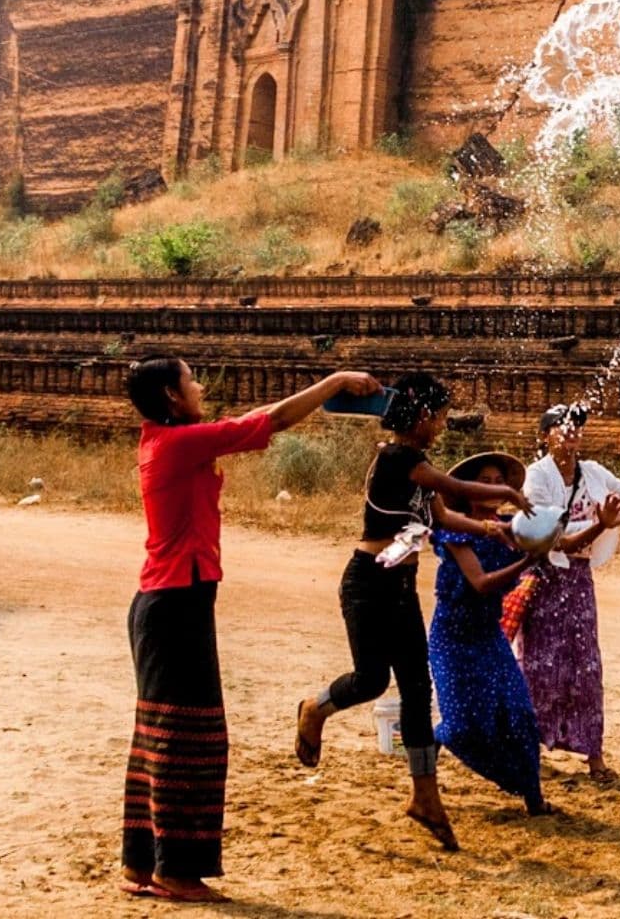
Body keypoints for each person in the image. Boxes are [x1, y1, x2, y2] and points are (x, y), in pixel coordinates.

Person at [120, 357, 380, 903]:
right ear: (172, 395)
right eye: (192, 381)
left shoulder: (174, 439)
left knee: (161, 735)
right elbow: (274, 421)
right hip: (175, 604)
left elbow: (255, 419)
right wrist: (333, 382)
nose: (200, 387)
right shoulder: (175, 444)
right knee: (190, 738)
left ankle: (145, 863)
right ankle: (175, 871)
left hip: (166, 601)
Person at [294, 373, 522, 852]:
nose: (440, 425)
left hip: (400, 586)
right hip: (368, 582)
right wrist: (508, 497)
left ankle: (425, 797)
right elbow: (451, 484)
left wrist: (489, 531)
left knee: (418, 691)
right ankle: (315, 709)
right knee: (372, 680)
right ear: (419, 417)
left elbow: (443, 515)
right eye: (438, 416)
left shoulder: (415, 465)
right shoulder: (401, 458)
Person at [516, 402, 620, 782]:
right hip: (545, 579)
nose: (571, 432)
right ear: (544, 436)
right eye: (561, 426)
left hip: (579, 582)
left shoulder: (594, 473)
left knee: (586, 667)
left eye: (576, 426)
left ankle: (594, 755)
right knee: (539, 667)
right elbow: (554, 536)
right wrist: (600, 524)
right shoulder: (536, 478)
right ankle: (531, 749)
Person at [427, 451, 553, 814]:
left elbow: (562, 542)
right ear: (467, 490)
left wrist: (601, 524)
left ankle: (534, 798)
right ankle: (432, 740)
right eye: (486, 481)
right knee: (465, 727)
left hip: (488, 635)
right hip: (453, 639)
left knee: (520, 715)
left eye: (500, 482)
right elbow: (480, 583)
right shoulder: (455, 529)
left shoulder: (509, 526)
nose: (495, 487)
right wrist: (528, 561)